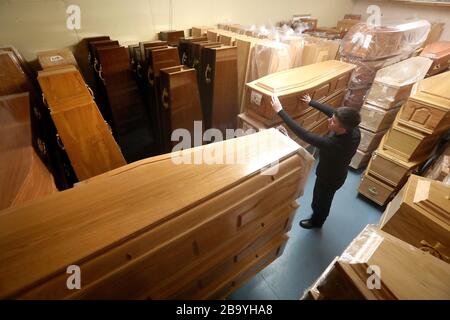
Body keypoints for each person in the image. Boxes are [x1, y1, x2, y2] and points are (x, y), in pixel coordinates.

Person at [271, 94, 361, 229]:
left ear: (342, 129)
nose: (330, 120)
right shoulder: (353, 128)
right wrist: (311, 102)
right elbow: (332, 112)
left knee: (321, 201)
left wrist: (280, 111)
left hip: (329, 178)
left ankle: (317, 222)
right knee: (322, 199)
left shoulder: (335, 144)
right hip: (336, 171)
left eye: (333, 122)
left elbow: (305, 135)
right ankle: (318, 215)